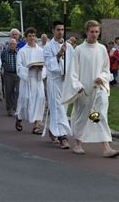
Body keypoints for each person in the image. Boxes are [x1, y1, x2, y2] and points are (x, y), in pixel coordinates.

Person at [62, 20, 119, 158]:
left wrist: (102, 77)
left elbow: (106, 70)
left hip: (99, 89)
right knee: (84, 116)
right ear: (86, 32)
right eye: (92, 32)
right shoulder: (79, 50)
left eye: (97, 32)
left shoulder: (101, 49)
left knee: (100, 116)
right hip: (84, 91)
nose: (94, 34)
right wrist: (77, 86)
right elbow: (72, 72)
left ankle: (107, 147)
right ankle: (78, 143)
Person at [43, 21, 73, 149]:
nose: (61, 32)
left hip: (65, 82)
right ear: (53, 31)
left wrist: (69, 73)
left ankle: (53, 128)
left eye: (62, 29)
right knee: (58, 108)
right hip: (54, 81)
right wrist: (60, 54)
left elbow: (72, 63)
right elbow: (49, 65)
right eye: (58, 29)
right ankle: (63, 137)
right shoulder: (48, 47)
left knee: (63, 108)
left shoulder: (69, 47)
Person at [15, 27, 46, 134]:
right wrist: (28, 69)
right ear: (26, 38)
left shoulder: (41, 51)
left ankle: (36, 126)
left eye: (33, 35)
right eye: (29, 36)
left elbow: (46, 65)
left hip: (37, 79)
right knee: (25, 100)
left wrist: (41, 70)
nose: (32, 38)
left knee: (40, 99)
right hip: (27, 79)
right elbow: (18, 67)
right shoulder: (22, 51)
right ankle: (19, 118)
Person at [1, 38, 20, 116]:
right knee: (9, 92)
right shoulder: (5, 52)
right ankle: (9, 108)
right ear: (8, 45)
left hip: (18, 74)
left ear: (16, 45)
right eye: (11, 44)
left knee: (18, 92)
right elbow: (1, 61)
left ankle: (16, 108)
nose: (12, 45)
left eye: (14, 44)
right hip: (8, 74)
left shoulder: (19, 52)